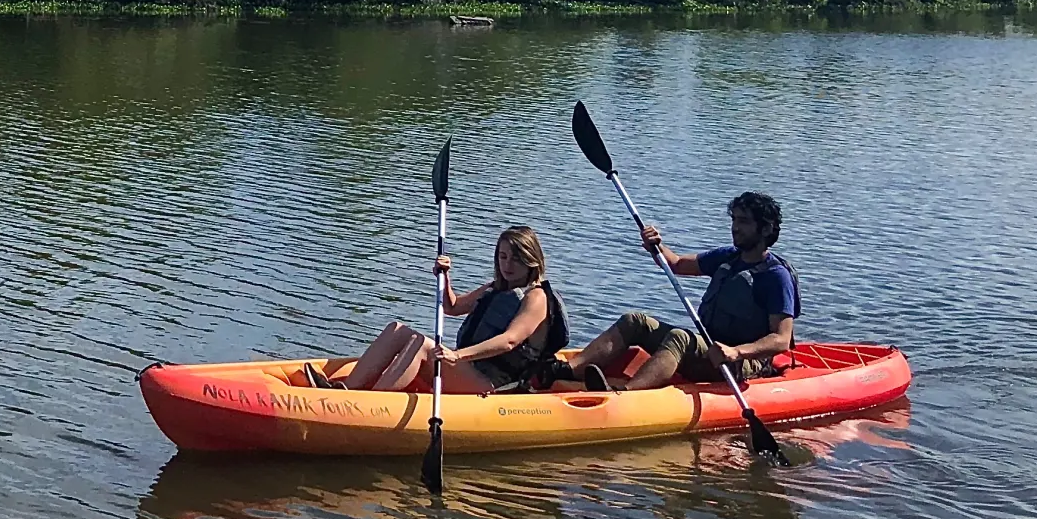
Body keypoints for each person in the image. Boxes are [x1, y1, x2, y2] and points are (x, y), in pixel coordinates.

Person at [568, 191, 798, 393]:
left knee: (680, 337)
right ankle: (567, 371)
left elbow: (781, 339)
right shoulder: (728, 257)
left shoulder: (775, 276)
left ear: (766, 229)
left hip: (744, 362)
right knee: (635, 321)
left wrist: (736, 352)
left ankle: (626, 394)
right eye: (734, 220)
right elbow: (677, 264)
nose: (735, 227)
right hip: (709, 347)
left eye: (744, 222)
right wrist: (656, 246)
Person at [321, 226, 570, 394]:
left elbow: (509, 340)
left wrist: (457, 356)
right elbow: (452, 307)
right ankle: (347, 389)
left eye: (516, 258)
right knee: (398, 330)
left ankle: (373, 402)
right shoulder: (497, 288)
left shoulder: (536, 298)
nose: (507, 265)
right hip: (471, 370)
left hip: (495, 385)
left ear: (531, 260)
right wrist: (444, 276)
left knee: (422, 345)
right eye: (503, 257)